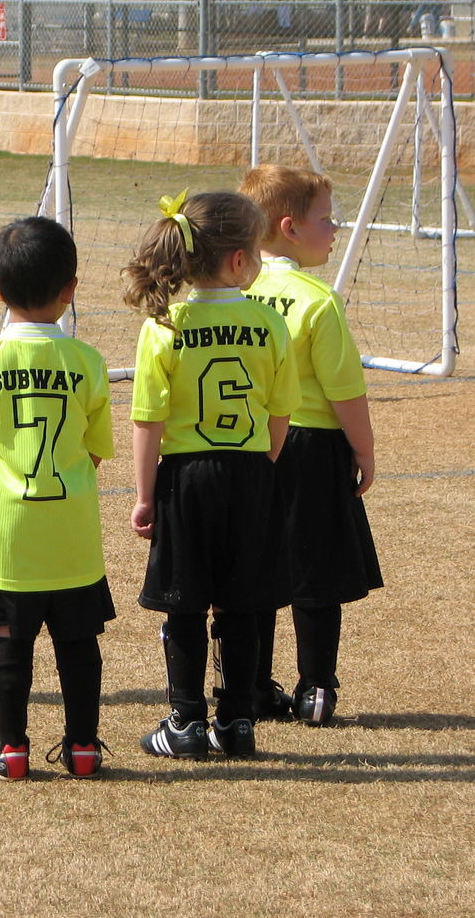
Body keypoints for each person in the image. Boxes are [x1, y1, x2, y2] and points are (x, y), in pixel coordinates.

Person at [123, 190, 300, 761]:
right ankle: (238, 722)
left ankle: (186, 722)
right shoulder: (269, 323)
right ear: (240, 260)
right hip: (250, 474)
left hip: (187, 478)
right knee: (242, 604)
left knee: (186, 603)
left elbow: (148, 420)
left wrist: (145, 497)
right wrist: (259, 470)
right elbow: (280, 415)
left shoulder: (166, 324)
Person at [0, 217, 116, 780]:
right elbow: (94, 451)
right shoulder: (89, 362)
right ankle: (84, 748)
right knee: (78, 639)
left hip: (7, 530)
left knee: (9, 637)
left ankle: (11, 748)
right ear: (71, 289)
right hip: (72, 532)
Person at [240, 165, 382, 728]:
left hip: (250, 445)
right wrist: (365, 452)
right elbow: (345, 391)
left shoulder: (236, 293)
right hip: (313, 445)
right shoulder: (317, 301)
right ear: (289, 227)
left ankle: (252, 685)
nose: (336, 227)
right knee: (315, 568)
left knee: (257, 563)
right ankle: (316, 689)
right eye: (326, 218)